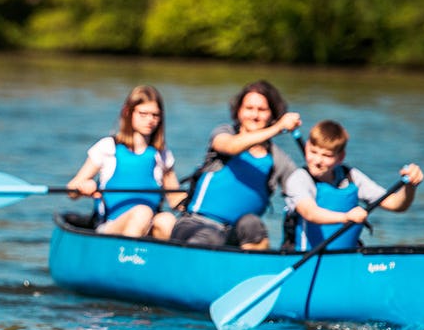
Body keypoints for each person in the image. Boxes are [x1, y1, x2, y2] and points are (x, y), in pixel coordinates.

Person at [172, 80, 301, 250]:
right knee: (212, 238)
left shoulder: (279, 159)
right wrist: (279, 128)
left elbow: (303, 192)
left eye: (262, 110)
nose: (255, 115)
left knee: (253, 225)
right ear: (239, 111)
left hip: (235, 235)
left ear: (272, 114)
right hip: (194, 224)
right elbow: (231, 146)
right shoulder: (224, 133)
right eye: (249, 108)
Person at [283, 119, 424, 251]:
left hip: (346, 259)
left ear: (340, 157)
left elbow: (396, 205)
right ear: (307, 146)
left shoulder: (351, 176)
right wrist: (346, 217)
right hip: (303, 259)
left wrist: (410, 187)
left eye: (326, 155)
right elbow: (310, 213)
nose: (317, 160)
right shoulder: (299, 178)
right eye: (313, 152)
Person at [65, 85, 184, 239]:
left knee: (167, 220)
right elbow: (71, 190)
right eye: (143, 114)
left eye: (155, 115)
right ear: (128, 112)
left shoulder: (162, 154)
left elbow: (175, 200)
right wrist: (82, 187)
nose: (150, 120)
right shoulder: (108, 147)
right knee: (142, 212)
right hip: (111, 227)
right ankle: (126, 259)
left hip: (146, 226)